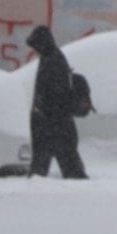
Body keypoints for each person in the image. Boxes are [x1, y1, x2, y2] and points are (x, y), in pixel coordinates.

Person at [27, 25, 88, 179]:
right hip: (56, 124)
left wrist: (43, 114)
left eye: (36, 46)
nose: (35, 51)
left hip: (54, 124)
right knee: (65, 163)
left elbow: (55, 94)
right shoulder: (51, 58)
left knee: (58, 164)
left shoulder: (53, 61)